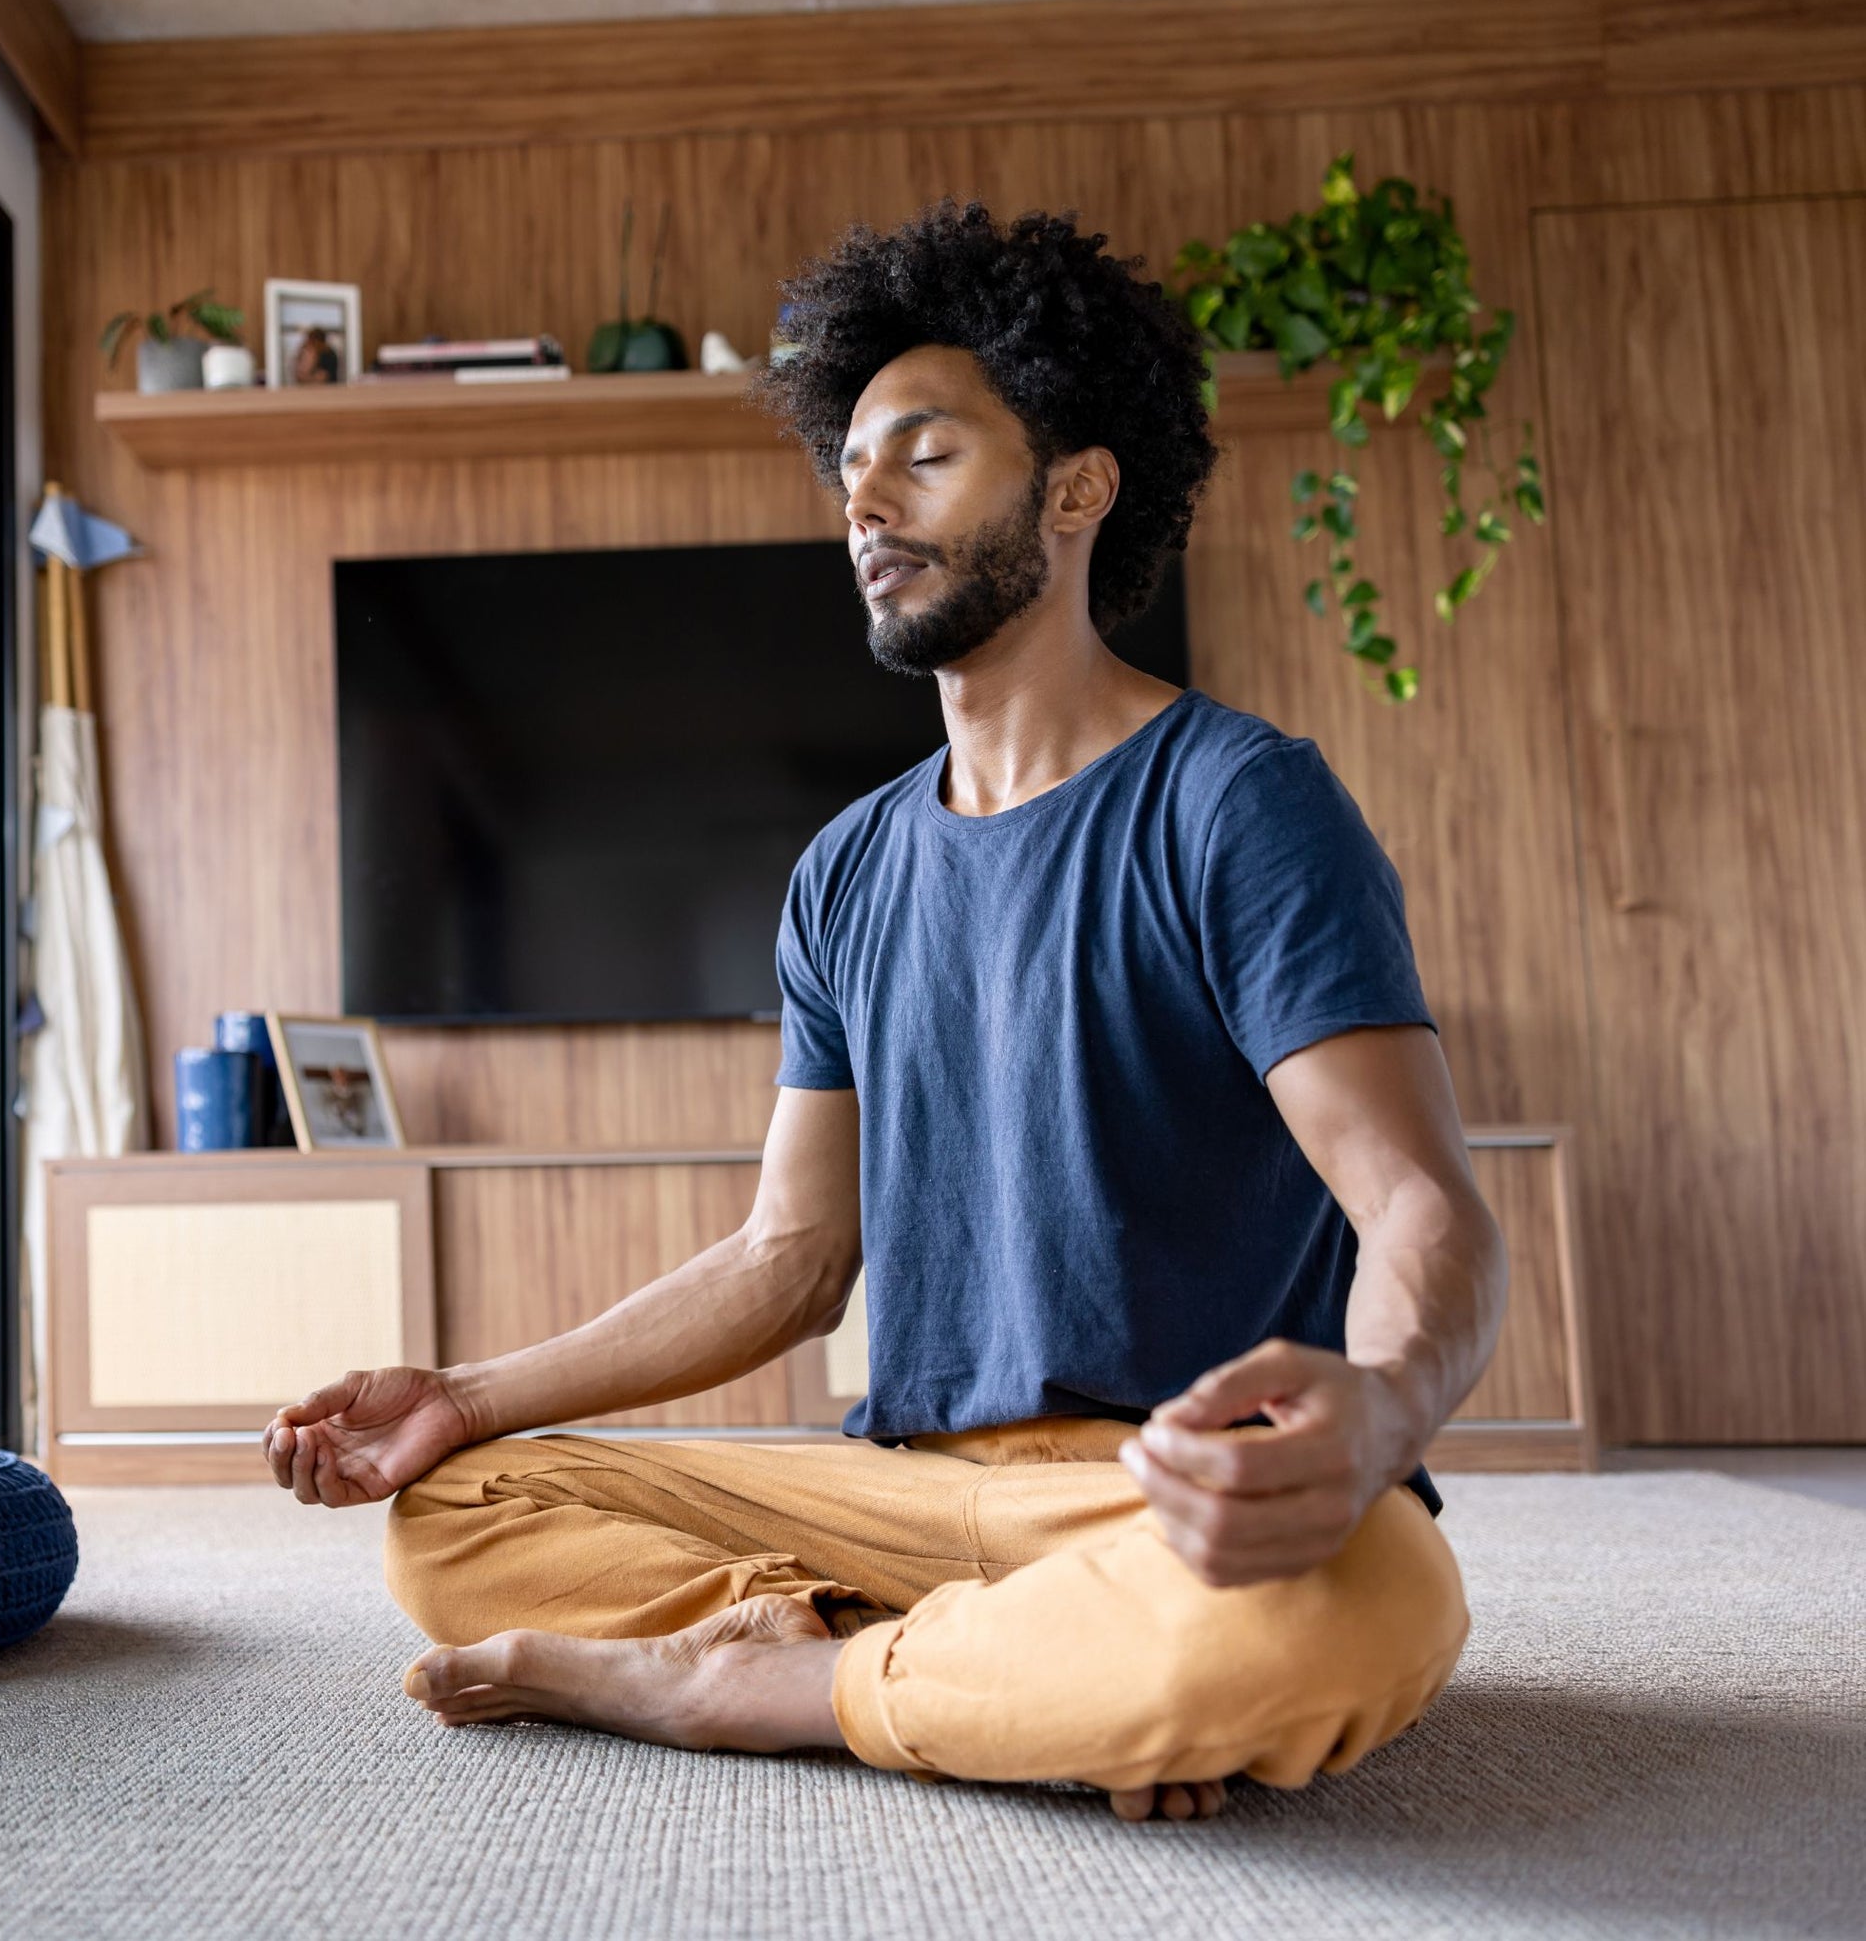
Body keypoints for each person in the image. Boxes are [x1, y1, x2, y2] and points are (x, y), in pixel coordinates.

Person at [263, 199, 1507, 1825]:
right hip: (902, 1492)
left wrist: (1387, 1406)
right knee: (458, 1514)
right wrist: (467, 1394)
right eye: (850, 463)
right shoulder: (846, 868)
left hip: (1163, 1493)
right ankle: (1004, 1681)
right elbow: (792, 1254)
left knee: (1365, 1605)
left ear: (1076, 487)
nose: (861, 496)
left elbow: (1419, 1200)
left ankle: (772, 1678)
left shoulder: (1237, 802)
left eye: (922, 453)